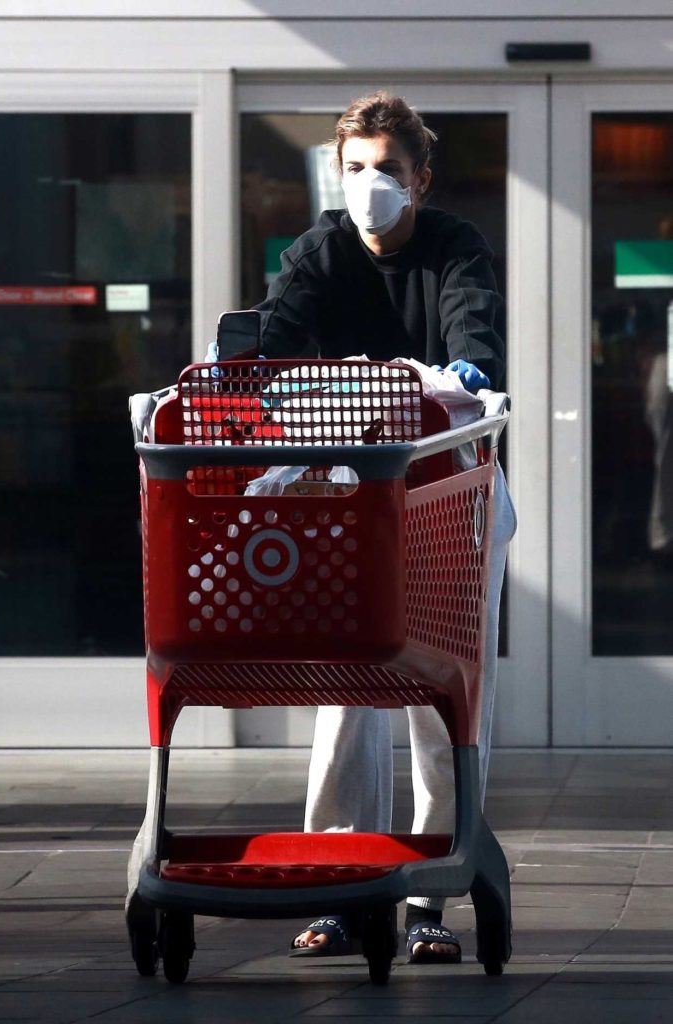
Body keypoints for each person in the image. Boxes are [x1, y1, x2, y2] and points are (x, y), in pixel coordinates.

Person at [214, 92, 516, 964]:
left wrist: (464, 371)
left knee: (444, 697)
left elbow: (474, 328)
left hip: (448, 494)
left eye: (386, 169)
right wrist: (253, 371)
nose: (369, 185)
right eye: (354, 169)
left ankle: (432, 893)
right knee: (349, 687)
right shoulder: (321, 250)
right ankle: (343, 883)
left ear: (420, 178)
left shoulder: (453, 246)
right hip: (352, 500)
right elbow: (276, 334)